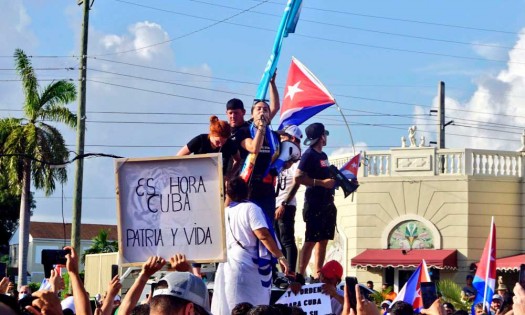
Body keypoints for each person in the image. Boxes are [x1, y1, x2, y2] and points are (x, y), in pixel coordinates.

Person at [211, 177, 289, 315]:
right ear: (248, 190)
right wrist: (281, 257)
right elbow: (263, 234)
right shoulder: (250, 208)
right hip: (246, 266)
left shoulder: (225, 212)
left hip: (227, 263)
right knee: (252, 309)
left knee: (228, 308)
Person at [294, 122, 336, 282]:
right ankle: (301, 273)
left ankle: (318, 273)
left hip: (327, 202)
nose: (326, 138)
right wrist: (321, 183)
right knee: (311, 239)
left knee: (324, 239)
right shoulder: (308, 154)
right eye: (324, 135)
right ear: (321, 137)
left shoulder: (323, 156)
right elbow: (298, 177)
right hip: (314, 202)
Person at [177, 115, 241, 182]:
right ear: (211, 134)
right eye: (217, 141)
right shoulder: (200, 140)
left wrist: (230, 175)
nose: (220, 145)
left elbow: (238, 160)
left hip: (218, 182)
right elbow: (178, 157)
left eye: (223, 142)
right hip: (197, 180)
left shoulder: (230, 144)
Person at [274, 125, 303, 274]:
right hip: (275, 203)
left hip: (286, 205)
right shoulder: (281, 155)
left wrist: (283, 204)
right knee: (277, 241)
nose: (281, 140)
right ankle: (283, 271)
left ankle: (290, 272)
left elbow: (296, 183)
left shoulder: (297, 159)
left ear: (292, 139)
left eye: (284, 137)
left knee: (287, 240)